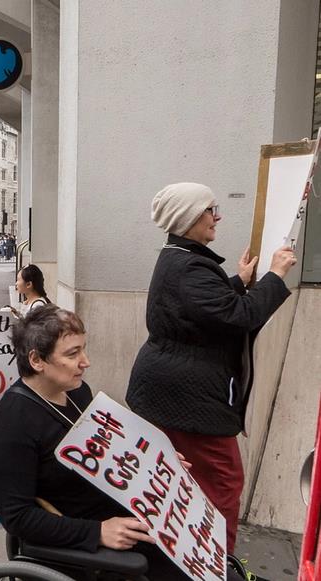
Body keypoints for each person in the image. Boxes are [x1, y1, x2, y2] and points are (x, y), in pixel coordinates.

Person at [0, 305, 239, 580]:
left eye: (83, 349)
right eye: (73, 354)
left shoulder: (77, 392)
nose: (86, 361)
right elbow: (17, 516)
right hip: (94, 537)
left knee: (222, 570)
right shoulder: (12, 423)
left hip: (131, 510)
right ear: (37, 360)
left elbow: (113, 442)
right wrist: (97, 533)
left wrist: (158, 457)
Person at [126, 182, 295, 554]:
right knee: (222, 483)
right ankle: (218, 564)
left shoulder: (179, 257)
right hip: (189, 399)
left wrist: (240, 281)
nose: (217, 216)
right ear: (188, 217)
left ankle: (182, 556)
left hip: (171, 392)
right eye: (209, 209)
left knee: (183, 482)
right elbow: (241, 317)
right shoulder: (190, 266)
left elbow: (203, 308)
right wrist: (275, 276)